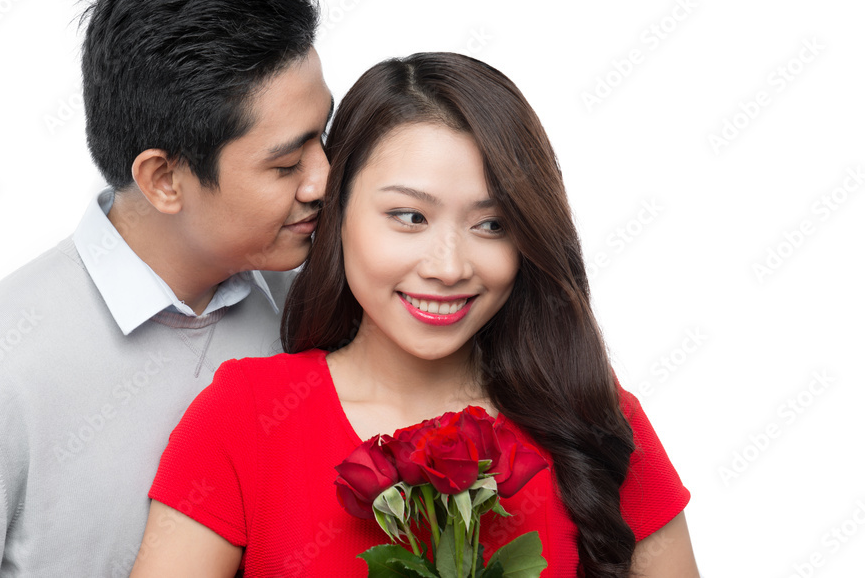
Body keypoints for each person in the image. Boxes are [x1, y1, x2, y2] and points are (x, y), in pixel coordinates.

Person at [131, 52, 700, 577]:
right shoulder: (246, 418)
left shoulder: (597, 420)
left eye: (491, 224)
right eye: (408, 217)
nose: (448, 267)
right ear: (337, 211)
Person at [0, 0, 332, 576]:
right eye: (285, 164)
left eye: (321, 137)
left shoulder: (320, 299)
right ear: (163, 178)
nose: (324, 178)